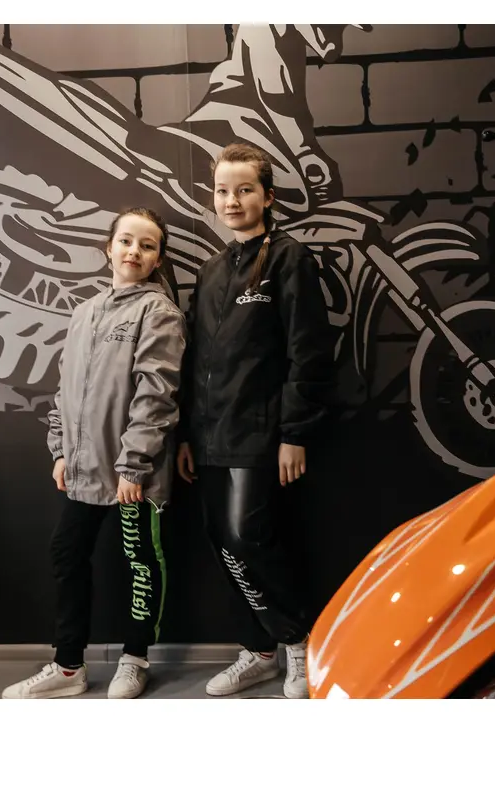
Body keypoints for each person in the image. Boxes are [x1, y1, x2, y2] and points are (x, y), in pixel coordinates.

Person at [2, 208, 186, 699]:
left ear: (158, 259)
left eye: (147, 245)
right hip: (84, 466)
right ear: (108, 247)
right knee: (67, 553)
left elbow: (157, 394)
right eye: (126, 240)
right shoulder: (85, 311)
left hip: (132, 473)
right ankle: (68, 667)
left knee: (140, 563)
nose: (134, 251)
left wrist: (135, 465)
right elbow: (66, 387)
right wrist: (61, 450)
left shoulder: (159, 312)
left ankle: (135, 659)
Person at [177, 142, 334, 699]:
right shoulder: (211, 270)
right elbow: (197, 359)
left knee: (248, 536)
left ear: (267, 196)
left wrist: (295, 433)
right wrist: (188, 435)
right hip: (209, 435)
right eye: (222, 190)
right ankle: (259, 650)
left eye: (244, 189)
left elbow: (308, 352)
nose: (231, 200)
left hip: (261, 433)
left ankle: (298, 643)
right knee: (221, 539)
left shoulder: (290, 258)